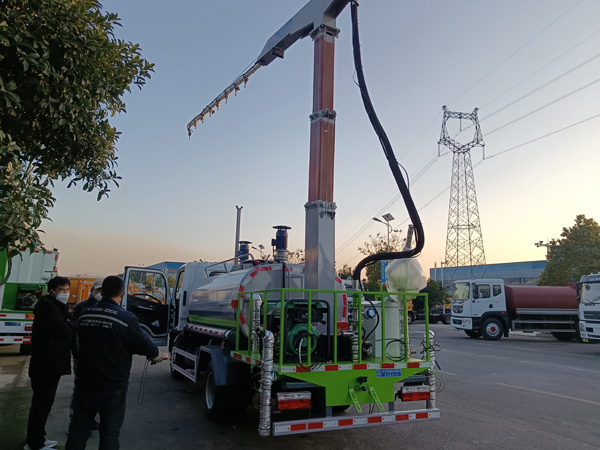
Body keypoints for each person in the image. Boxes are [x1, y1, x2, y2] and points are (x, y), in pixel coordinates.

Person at [66, 276, 163, 450]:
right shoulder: (126, 318)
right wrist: (156, 355)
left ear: (101, 292)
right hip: (112, 386)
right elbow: (144, 344)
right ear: (123, 293)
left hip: (85, 381)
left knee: (78, 430)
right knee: (109, 433)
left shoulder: (86, 314)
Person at [25, 276, 73, 450]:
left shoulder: (54, 306)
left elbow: (68, 322)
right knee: (41, 404)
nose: (65, 293)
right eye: (61, 290)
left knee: (43, 404)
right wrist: (69, 325)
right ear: (52, 291)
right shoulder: (48, 308)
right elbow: (65, 331)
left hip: (48, 363)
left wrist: (69, 323)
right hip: (46, 365)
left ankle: (38, 438)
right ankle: (35, 443)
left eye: (67, 290)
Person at [70, 279, 104, 430]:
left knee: (97, 390)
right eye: (98, 291)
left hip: (100, 356)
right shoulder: (80, 307)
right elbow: (75, 333)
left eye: (103, 291)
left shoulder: (106, 307)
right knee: (80, 389)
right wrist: (78, 354)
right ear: (92, 291)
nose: (100, 294)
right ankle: (76, 422)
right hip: (83, 355)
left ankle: (89, 420)